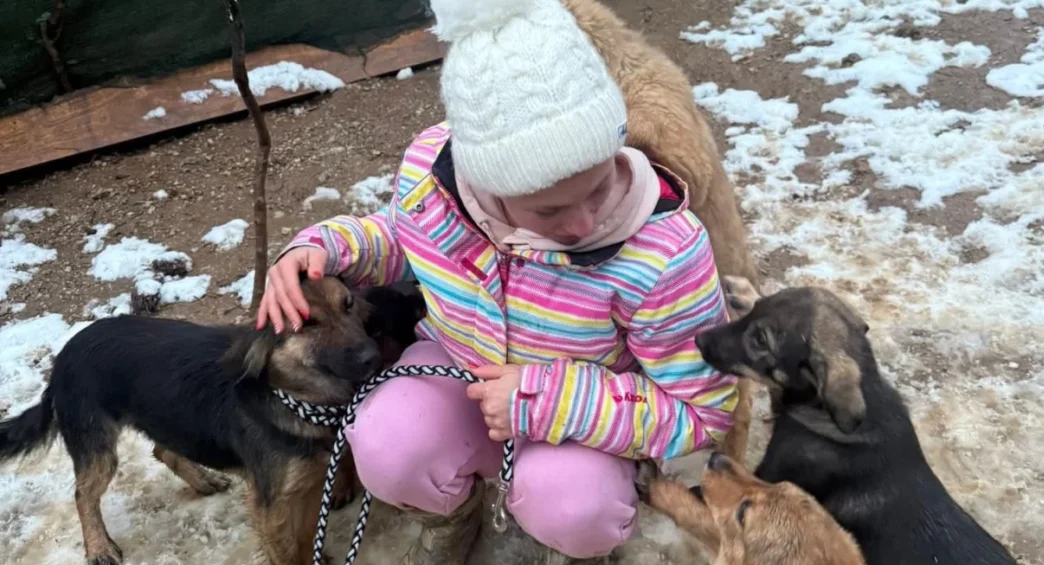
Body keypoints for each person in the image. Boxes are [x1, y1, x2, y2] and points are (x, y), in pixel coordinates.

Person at [256, 0, 739, 563]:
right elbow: (405, 235)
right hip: (460, 366)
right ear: (482, 185)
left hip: (592, 411)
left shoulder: (664, 252)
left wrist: (548, 402)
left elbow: (703, 411)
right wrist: (324, 247)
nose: (584, 224)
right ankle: (453, 514)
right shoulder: (432, 175)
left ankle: (568, 536)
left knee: (579, 508)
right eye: (549, 210)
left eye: (599, 186)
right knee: (386, 444)